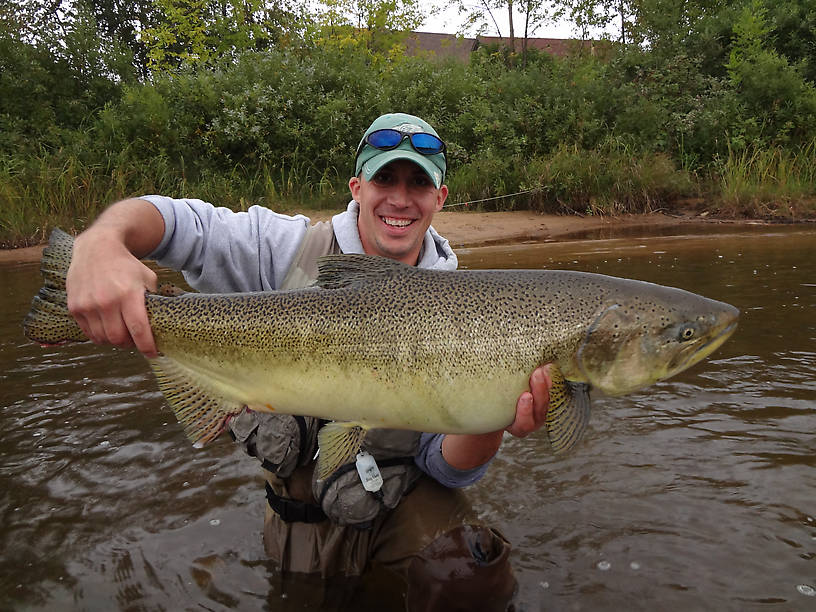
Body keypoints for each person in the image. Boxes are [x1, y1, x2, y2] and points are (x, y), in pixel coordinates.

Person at [65, 112, 552, 610]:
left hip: (399, 504)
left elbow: (444, 467)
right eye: (385, 178)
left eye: (419, 183)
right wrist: (103, 242)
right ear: (357, 188)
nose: (401, 198)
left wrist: (495, 418)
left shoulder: (463, 307)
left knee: (472, 575)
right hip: (299, 518)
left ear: (440, 198)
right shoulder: (287, 249)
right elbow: (184, 226)